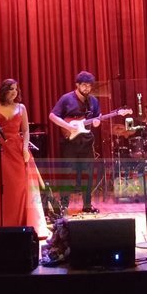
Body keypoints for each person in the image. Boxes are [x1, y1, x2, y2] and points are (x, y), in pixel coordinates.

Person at [0, 79, 48, 238]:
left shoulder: (21, 107)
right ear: (4, 91)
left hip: (17, 150)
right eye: (11, 89)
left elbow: (26, 131)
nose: (14, 92)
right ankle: (2, 225)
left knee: (20, 187)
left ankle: (21, 223)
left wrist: (25, 149)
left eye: (16, 89)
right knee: (1, 189)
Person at [49, 71, 101, 214]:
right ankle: (64, 205)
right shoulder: (66, 98)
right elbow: (52, 115)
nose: (87, 88)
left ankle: (87, 205)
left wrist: (97, 122)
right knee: (67, 173)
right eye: (84, 85)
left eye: (89, 86)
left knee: (88, 174)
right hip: (69, 142)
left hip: (86, 141)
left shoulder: (93, 101)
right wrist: (68, 126)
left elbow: (97, 119)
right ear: (77, 85)